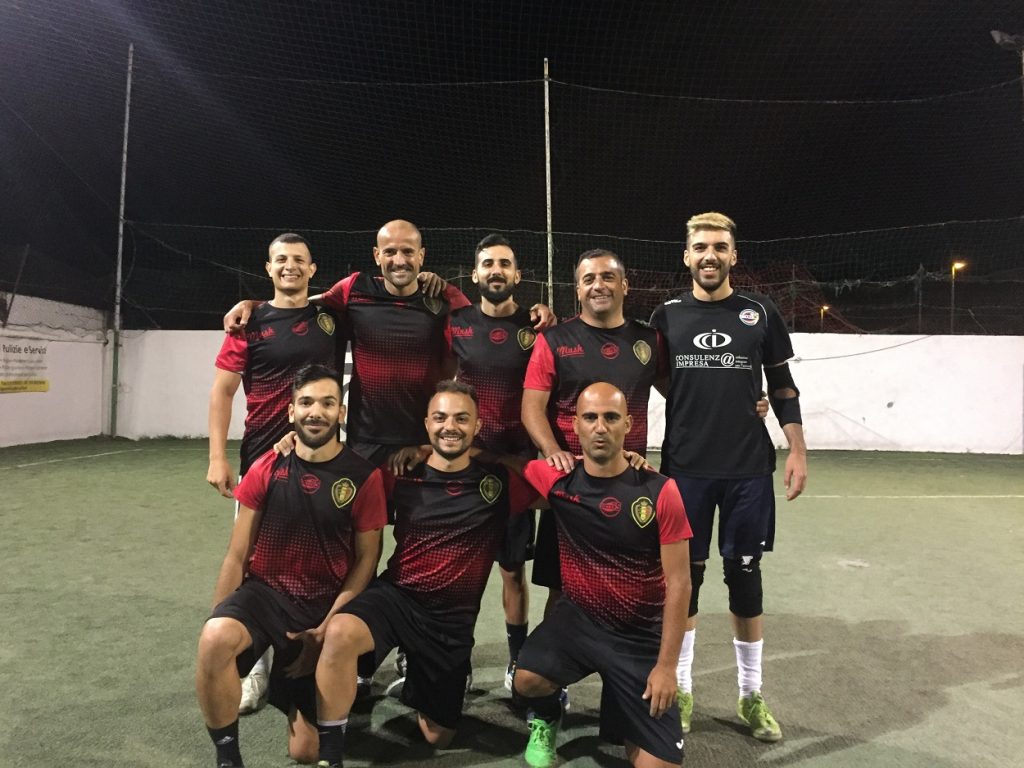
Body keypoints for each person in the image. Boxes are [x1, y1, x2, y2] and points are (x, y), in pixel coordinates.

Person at [313, 380, 542, 767]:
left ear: (477, 426)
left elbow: (565, 487)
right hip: (398, 597)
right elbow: (338, 479)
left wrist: (497, 458)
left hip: (450, 622)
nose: (449, 426)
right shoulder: (399, 471)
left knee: (437, 736)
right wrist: (292, 445)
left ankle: (421, 676)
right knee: (340, 632)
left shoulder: (498, 482)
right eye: (440, 418)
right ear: (426, 424)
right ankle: (330, 756)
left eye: (461, 419)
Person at [649, 211, 808, 743]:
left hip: (748, 471)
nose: (710, 255)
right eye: (700, 247)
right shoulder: (666, 316)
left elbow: (782, 385)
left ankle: (750, 694)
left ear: (734, 255)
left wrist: (797, 449)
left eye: (719, 247)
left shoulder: (760, 312)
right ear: (686, 256)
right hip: (685, 470)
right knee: (686, 581)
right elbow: (657, 377)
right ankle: (683, 688)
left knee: (744, 576)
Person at [196, 365, 387, 768]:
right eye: (306, 403)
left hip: (321, 606)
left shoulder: (363, 477)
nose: (316, 412)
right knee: (214, 640)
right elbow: (237, 554)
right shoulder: (267, 467)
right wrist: (219, 615)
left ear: (341, 413)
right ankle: (228, 759)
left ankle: (321, 690)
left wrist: (326, 629)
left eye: (327, 403)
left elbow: (367, 561)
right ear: (291, 411)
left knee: (306, 753)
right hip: (266, 595)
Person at [514, 383, 692, 768]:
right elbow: (503, 470)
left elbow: (680, 583)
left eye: (611, 417)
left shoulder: (660, 491)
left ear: (628, 424)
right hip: (579, 621)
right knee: (526, 679)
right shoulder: (558, 479)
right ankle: (547, 717)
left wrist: (666, 667)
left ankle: (620, 702)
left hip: (638, 636)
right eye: (590, 417)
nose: (600, 426)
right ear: (575, 425)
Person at [207, 232, 344, 714]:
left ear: (312, 269)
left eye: (299, 260)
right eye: (281, 260)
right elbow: (223, 391)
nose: (290, 267)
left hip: (324, 461)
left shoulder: (331, 316)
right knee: (253, 564)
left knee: (322, 560)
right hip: (262, 461)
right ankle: (252, 670)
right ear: (268, 269)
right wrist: (217, 457)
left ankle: (324, 656)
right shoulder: (248, 323)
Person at [521, 249, 664, 626]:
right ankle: (556, 662)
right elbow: (532, 407)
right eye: (589, 279)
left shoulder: (649, 341)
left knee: (633, 584)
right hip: (571, 490)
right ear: (578, 290)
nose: (598, 285)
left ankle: (626, 654)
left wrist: (747, 401)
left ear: (625, 285)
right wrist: (552, 451)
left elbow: (684, 394)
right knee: (561, 590)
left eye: (607, 277)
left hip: (631, 487)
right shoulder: (555, 340)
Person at [445, 233, 543, 690]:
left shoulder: (537, 327)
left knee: (512, 571)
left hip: (517, 467)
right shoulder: (456, 323)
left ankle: (517, 659)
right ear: (475, 274)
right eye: (488, 264)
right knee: (460, 573)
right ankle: (456, 660)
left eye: (504, 264)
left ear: (517, 275)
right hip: (467, 466)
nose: (496, 271)